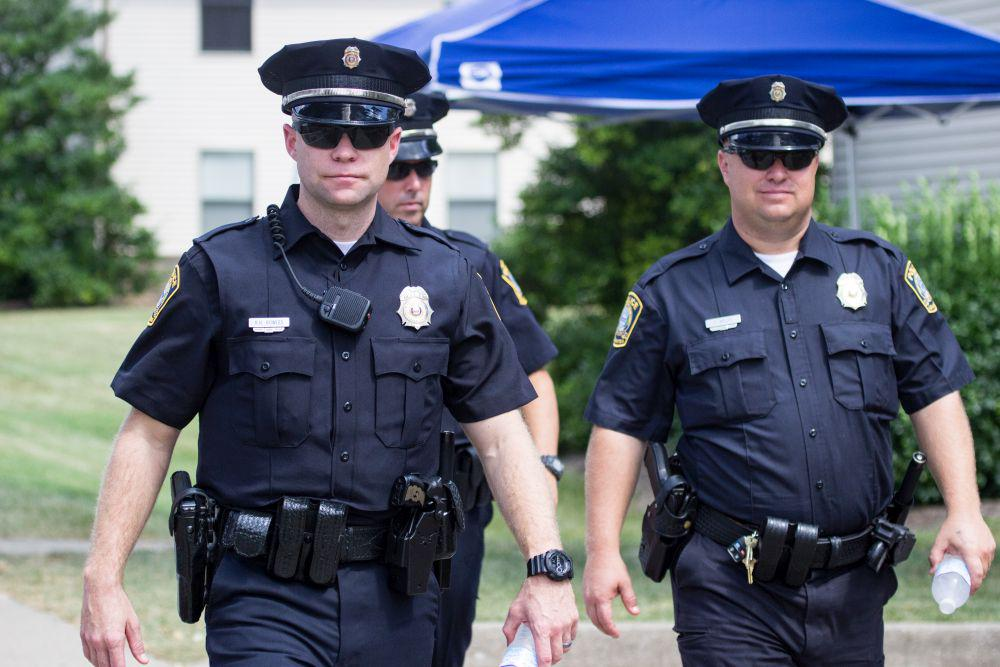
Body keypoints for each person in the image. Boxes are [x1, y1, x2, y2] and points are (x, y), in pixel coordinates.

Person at [80, 38, 577, 667]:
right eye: (322, 129)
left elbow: (502, 436)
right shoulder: (220, 269)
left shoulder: (447, 277)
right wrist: (102, 578)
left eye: (366, 132)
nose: (345, 149)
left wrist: (546, 567)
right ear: (292, 140)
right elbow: (149, 432)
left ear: (392, 143)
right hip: (263, 598)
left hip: (400, 597)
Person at [582, 74, 995, 664]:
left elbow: (934, 392)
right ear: (725, 164)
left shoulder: (878, 271)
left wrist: (965, 510)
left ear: (815, 164)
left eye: (797, 154)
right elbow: (622, 425)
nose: (778, 170)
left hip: (854, 587)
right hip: (730, 589)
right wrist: (603, 550)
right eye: (758, 154)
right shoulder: (672, 290)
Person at [377, 92, 563, 667]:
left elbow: (534, 374)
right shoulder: (330, 261)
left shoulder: (466, 261)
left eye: (424, 168)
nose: (414, 184)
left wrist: (545, 468)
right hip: (366, 503)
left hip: (455, 505)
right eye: (400, 169)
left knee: (442, 649)